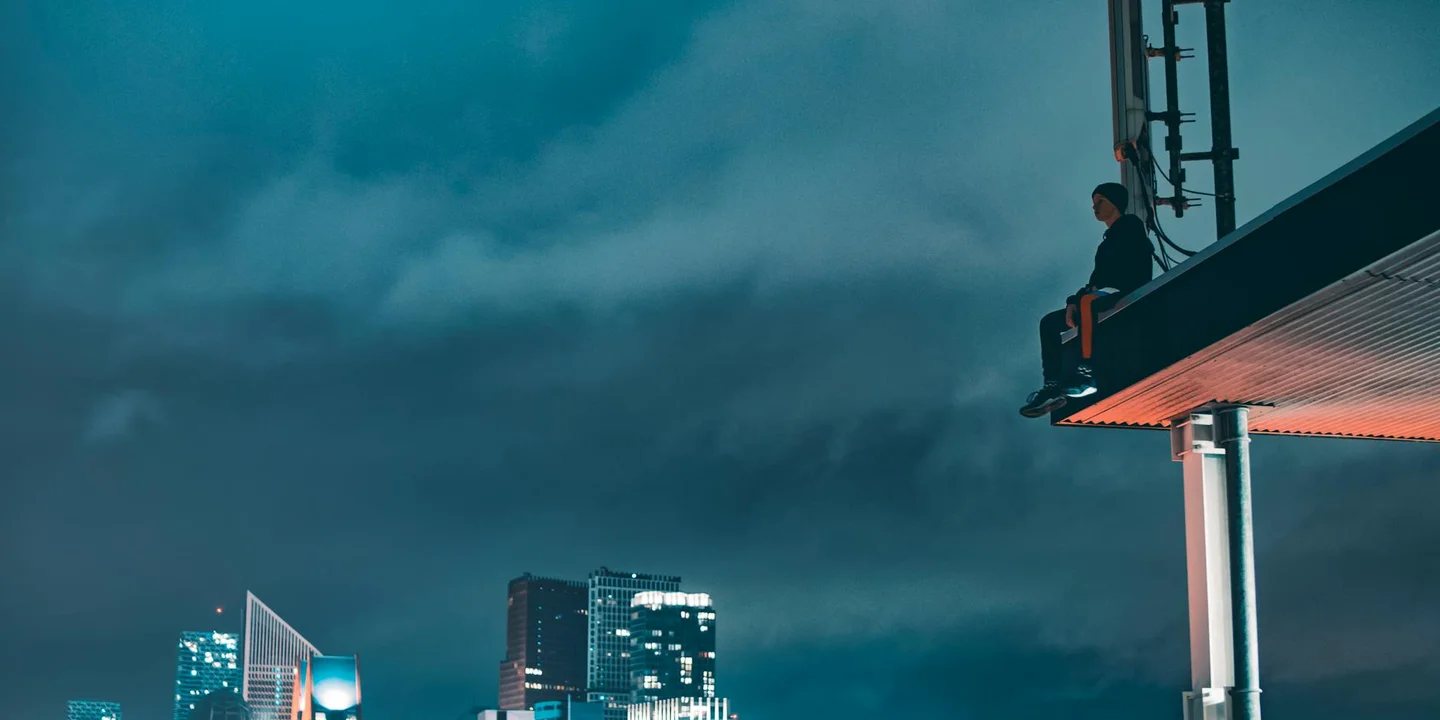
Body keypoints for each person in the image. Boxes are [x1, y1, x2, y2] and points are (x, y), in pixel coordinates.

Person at [1019, 182, 1154, 419]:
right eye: (1093, 204)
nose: (1095, 208)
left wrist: (1085, 297)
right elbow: (1096, 280)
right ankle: (1051, 383)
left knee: (1089, 302)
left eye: (1100, 202)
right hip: (1103, 293)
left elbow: (1120, 274)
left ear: (1114, 203)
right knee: (1050, 323)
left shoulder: (1131, 228)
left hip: (1126, 290)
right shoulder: (1106, 243)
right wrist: (1074, 300)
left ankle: (1086, 373)